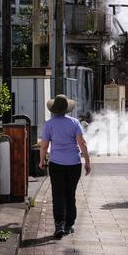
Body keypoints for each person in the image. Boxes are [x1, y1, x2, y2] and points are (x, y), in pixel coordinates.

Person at [39, 94, 91, 239]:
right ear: (67, 109)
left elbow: (44, 146)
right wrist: (87, 161)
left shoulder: (49, 124)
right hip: (74, 164)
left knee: (58, 194)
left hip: (56, 164)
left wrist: (41, 160)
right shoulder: (74, 123)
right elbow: (82, 143)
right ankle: (69, 224)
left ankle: (59, 224)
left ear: (54, 109)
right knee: (70, 194)